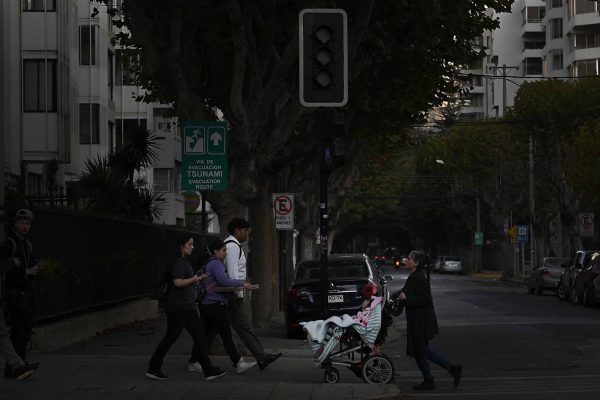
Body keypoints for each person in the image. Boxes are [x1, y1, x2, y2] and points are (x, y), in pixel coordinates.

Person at [146, 236, 227, 381]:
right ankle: (154, 367)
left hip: (187, 307)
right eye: (189, 244)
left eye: (192, 244)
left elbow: (186, 280)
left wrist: (198, 278)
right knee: (171, 338)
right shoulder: (178, 262)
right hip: (179, 307)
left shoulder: (184, 262)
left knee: (199, 337)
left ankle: (208, 370)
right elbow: (177, 283)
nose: (192, 247)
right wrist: (194, 280)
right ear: (181, 247)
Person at [398, 250, 462, 391]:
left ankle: (450, 369)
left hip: (420, 321)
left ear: (416, 263)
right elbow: (407, 292)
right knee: (419, 351)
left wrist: (407, 298)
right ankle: (430, 379)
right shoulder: (414, 276)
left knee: (422, 350)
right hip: (416, 320)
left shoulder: (418, 278)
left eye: (409, 259)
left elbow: (425, 299)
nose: (406, 261)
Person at [223, 218, 281, 370]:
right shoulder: (233, 247)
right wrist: (239, 294)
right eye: (245, 230)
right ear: (237, 230)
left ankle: (261, 356)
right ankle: (261, 356)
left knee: (236, 327)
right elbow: (233, 272)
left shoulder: (233, 246)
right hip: (232, 295)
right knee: (241, 326)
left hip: (230, 294)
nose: (247, 234)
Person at [191, 239, 256, 375]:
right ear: (215, 251)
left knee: (207, 335)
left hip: (207, 304)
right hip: (215, 304)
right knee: (225, 334)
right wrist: (242, 283)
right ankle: (238, 363)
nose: (225, 253)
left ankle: (194, 361)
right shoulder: (216, 264)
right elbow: (223, 281)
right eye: (223, 250)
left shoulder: (211, 263)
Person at [0, 208, 42, 373]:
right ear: (15, 225)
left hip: (25, 293)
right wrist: (22, 270)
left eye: (27, 223)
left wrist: (34, 270)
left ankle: (18, 362)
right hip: (13, 293)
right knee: (17, 328)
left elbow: (31, 266)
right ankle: (15, 365)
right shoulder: (9, 243)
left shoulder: (27, 244)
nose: (24, 226)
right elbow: (4, 267)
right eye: (21, 223)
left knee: (23, 328)